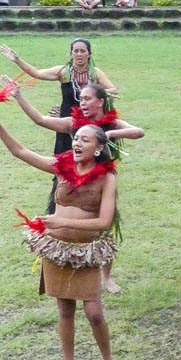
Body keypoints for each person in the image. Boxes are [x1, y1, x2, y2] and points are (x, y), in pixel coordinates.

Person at [0, 121, 123, 360]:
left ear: (99, 148)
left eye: (85, 140)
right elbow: (20, 151)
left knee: (95, 313)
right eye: (76, 138)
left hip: (85, 252)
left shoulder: (107, 178)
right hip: (56, 250)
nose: (77, 143)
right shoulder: (62, 166)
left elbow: (103, 222)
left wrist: (60, 221)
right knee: (65, 310)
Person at [3, 78, 144, 292]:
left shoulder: (110, 123)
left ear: (101, 101)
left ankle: (106, 276)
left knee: (104, 226)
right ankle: (54, 269)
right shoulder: (72, 122)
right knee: (59, 217)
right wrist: (19, 95)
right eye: (81, 99)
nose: (83, 103)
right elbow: (39, 121)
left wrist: (110, 134)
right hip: (69, 175)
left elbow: (138, 132)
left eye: (87, 98)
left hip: (99, 183)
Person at [0, 38, 117, 155]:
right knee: (65, 155)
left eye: (83, 51)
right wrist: (17, 60)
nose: (79, 54)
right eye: (76, 51)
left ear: (89, 54)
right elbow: (36, 73)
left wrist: (95, 93)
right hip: (67, 120)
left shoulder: (95, 73)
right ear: (71, 54)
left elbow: (113, 91)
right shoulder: (63, 72)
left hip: (90, 119)